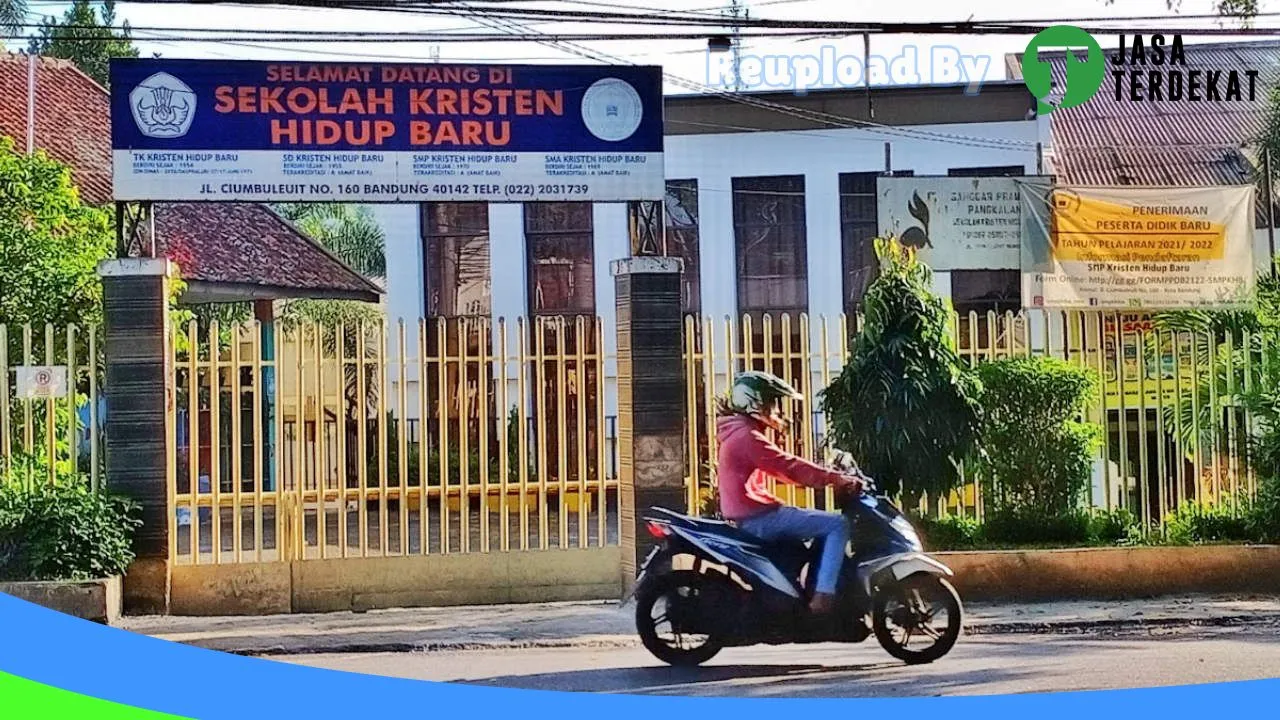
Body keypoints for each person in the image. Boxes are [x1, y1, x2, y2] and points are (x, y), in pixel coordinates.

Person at [715, 370, 863, 616]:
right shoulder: (747, 437)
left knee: (816, 525)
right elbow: (788, 466)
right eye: (772, 403)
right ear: (755, 402)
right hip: (759, 518)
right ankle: (824, 595)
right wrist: (834, 478)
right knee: (838, 524)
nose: (776, 410)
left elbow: (784, 470)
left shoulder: (737, 431)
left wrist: (820, 477)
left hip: (751, 515)